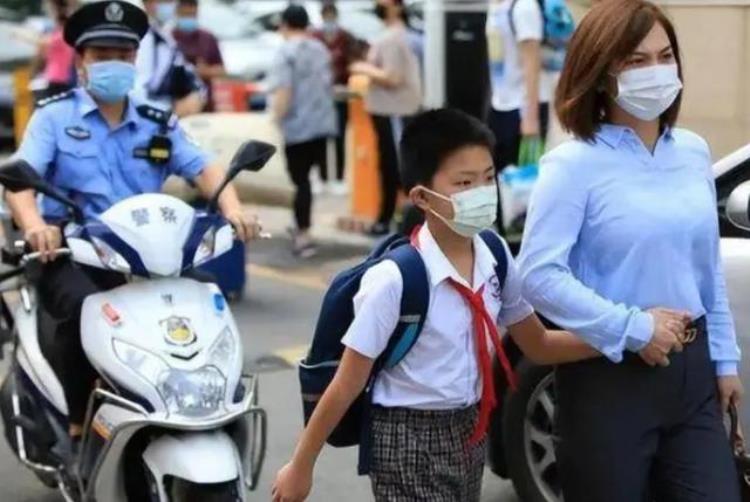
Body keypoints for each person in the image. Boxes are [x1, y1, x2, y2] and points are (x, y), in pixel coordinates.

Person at [271, 108, 598, 502]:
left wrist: (620, 339)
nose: (483, 192)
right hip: (407, 437)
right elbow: (346, 383)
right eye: (464, 182)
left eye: (489, 177)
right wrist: (301, 465)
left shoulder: (494, 255)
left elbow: (537, 343)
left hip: (470, 428)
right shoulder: (394, 280)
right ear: (422, 197)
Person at [517, 1, 743, 501]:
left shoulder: (692, 151)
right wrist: (633, 327)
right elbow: (536, 274)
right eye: (637, 61)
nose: (657, 72)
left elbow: (706, 270)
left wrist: (725, 362)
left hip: (692, 370)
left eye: (665, 57)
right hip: (609, 377)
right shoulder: (571, 165)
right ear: (600, 73)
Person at [7, 0, 259, 442]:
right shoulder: (54, 117)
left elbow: (205, 168)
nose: (113, 65)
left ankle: (213, 404)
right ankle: (78, 422)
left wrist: (233, 208)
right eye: (101, 56)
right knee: (80, 311)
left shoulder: (155, 121)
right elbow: (20, 182)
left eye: (122, 56)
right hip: (73, 251)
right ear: (82, 62)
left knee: (205, 302)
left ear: (135, 60)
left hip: (149, 255)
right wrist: (34, 226)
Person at [268, 4, 336, 259]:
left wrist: (274, 120)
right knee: (307, 180)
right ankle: (301, 225)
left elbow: (283, 92)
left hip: (297, 127)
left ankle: (303, 234)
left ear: (285, 25)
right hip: (321, 125)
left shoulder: (286, 52)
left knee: (299, 183)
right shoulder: (320, 49)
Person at [349, 0, 421, 236]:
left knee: (396, 167)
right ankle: (389, 217)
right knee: (389, 166)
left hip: (395, 111)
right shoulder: (392, 35)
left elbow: (392, 77)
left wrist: (362, 67)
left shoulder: (393, 38)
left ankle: (393, 219)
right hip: (388, 111)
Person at [485, 0, 554, 170]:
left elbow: (532, 62)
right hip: (500, 103)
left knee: (518, 183)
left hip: (522, 107)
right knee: (497, 175)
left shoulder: (524, 6)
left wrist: (531, 118)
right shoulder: (495, 6)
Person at [312, 1, 358, 196]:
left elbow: (353, 62)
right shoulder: (314, 37)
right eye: (326, 15)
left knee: (339, 138)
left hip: (340, 93)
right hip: (320, 96)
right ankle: (322, 178)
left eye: (332, 15)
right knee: (321, 138)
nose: (329, 19)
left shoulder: (346, 37)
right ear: (322, 16)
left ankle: (339, 178)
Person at [137, 0, 206, 116]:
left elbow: (190, 78)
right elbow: (137, 92)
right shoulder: (137, 38)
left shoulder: (165, 39)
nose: (171, 4)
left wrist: (195, 96)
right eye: (166, 1)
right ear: (147, 3)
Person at [172, 0, 225, 112]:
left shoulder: (208, 38)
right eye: (185, 15)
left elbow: (221, 70)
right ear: (177, 12)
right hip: (176, 104)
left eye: (192, 15)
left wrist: (205, 71)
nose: (189, 18)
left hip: (205, 105)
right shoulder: (168, 38)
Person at [38, 0, 77, 98]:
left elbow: (42, 46)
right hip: (63, 77)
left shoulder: (58, 34)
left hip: (57, 77)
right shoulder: (65, 33)